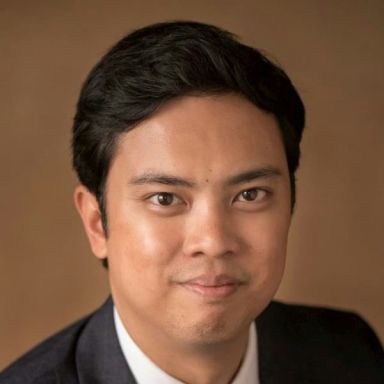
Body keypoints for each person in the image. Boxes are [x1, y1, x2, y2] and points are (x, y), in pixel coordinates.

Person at [0, 21, 383, 384]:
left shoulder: (349, 354)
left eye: (250, 195)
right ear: (97, 222)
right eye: (165, 199)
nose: (213, 241)